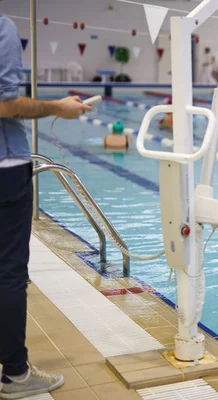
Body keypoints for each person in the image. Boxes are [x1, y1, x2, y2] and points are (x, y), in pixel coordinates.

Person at [0, 14, 91, 399]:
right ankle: (15, 374)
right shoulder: (1, 26)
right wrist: (58, 107)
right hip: (4, 168)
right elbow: (5, 105)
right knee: (8, 274)